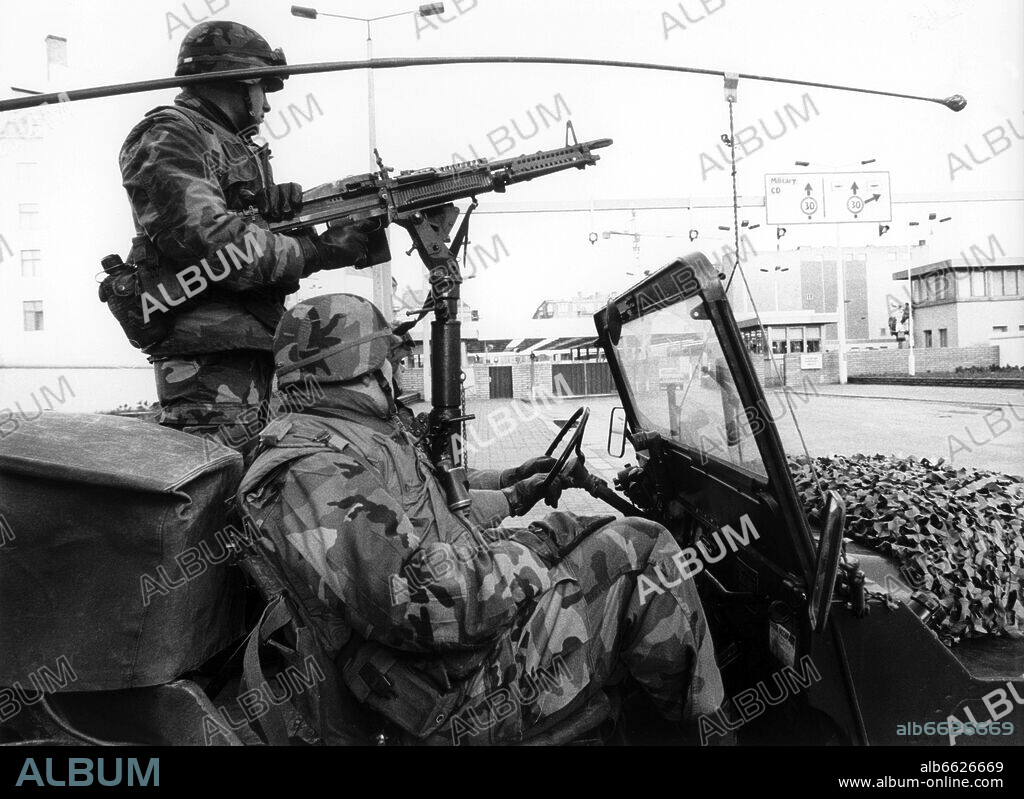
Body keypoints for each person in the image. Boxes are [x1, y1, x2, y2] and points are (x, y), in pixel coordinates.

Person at [238, 294, 724, 744]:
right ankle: (710, 732)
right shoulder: (313, 469)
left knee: (591, 537)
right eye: (387, 358)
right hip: (457, 696)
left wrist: (517, 493)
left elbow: (437, 514)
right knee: (647, 552)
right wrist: (534, 552)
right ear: (356, 367)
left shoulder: (350, 435)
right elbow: (413, 603)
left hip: (456, 658)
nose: (395, 367)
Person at [119, 20, 369, 459]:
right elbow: (214, 244)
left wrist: (275, 211)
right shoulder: (170, 135)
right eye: (264, 91)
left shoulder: (230, 143)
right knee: (213, 494)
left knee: (256, 488)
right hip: (209, 365)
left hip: (250, 346)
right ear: (243, 82)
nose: (268, 106)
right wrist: (317, 251)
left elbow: (236, 224)